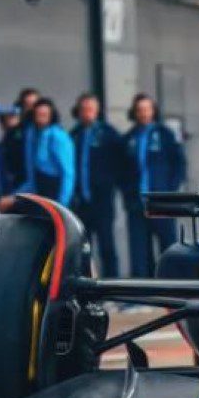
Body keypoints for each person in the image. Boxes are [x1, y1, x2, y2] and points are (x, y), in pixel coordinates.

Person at [123, 93, 187, 275]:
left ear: (153, 111)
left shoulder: (165, 135)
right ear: (134, 113)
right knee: (139, 252)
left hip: (162, 202)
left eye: (147, 109)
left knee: (168, 248)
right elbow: (121, 170)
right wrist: (127, 193)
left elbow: (179, 164)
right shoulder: (129, 138)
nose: (143, 113)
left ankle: (172, 289)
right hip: (137, 203)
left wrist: (170, 190)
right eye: (139, 110)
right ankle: (140, 294)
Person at [69, 92, 126, 275]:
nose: (87, 113)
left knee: (106, 245)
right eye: (84, 109)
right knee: (83, 247)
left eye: (91, 109)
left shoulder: (108, 134)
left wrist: (111, 182)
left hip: (102, 200)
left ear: (97, 111)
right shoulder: (74, 135)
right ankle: (86, 285)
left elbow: (122, 161)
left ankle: (113, 287)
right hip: (80, 201)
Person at [5, 95, 75, 207]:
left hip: (54, 187)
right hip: (38, 187)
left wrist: (63, 203)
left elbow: (67, 173)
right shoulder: (31, 134)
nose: (40, 118)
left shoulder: (58, 137)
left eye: (44, 115)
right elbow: (31, 171)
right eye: (38, 114)